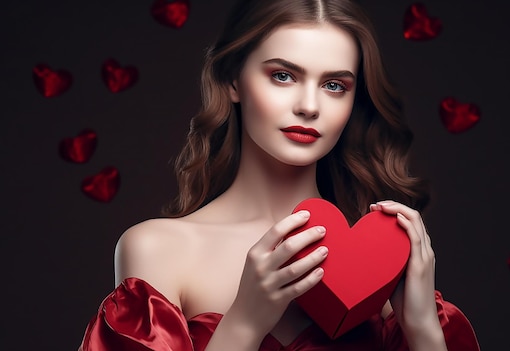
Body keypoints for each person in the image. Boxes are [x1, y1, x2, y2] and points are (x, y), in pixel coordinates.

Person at [78, 0, 480, 350]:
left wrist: (424, 329)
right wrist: (245, 323)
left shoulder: (383, 265)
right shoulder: (157, 249)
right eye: (283, 75)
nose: (309, 106)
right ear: (233, 80)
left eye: (335, 85)